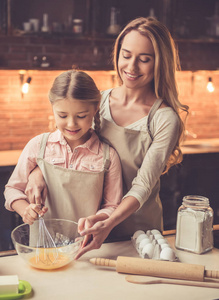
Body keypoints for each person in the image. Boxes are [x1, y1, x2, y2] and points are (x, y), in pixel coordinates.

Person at [23, 17, 189, 259]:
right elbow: (61, 145)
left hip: (138, 233)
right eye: (126, 55)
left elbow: (143, 186)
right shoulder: (97, 101)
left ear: (160, 63)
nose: (131, 67)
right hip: (90, 224)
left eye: (144, 59)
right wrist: (38, 171)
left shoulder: (164, 119)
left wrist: (110, 222)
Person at [4, 70, 123, 248]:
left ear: (95, 108)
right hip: (43, 249)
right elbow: (12, 189)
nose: (71, 124)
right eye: (62, 115)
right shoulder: (38, 146)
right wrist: (25, 210)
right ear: (52, 107)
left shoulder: (108, 156)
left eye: (81, 116)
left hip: (85, 247)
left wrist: (97, 220)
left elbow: (113, 205)